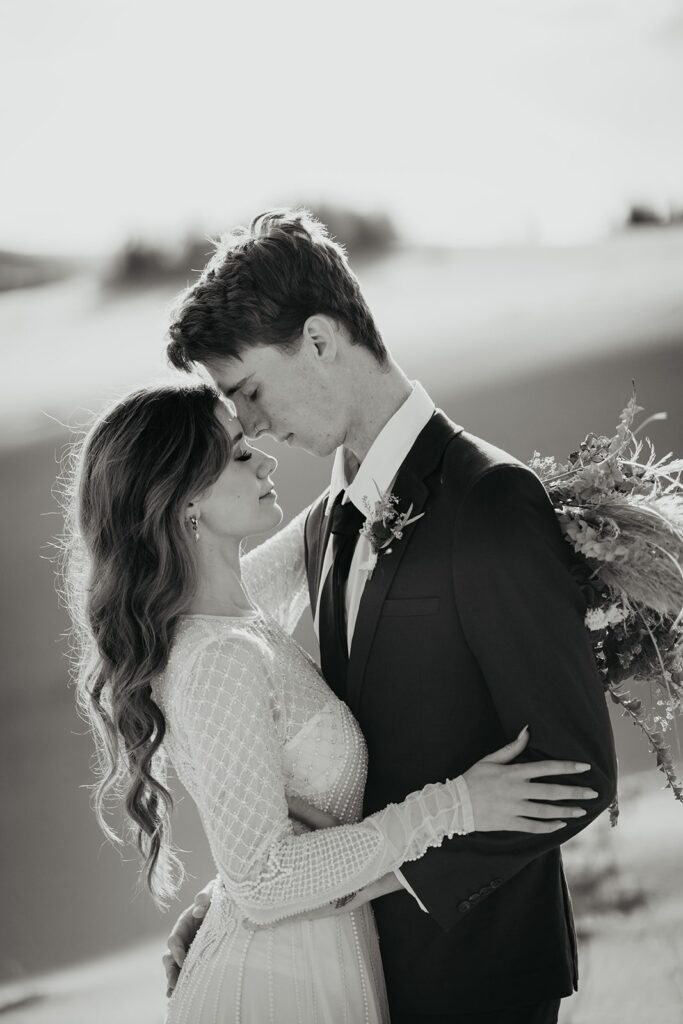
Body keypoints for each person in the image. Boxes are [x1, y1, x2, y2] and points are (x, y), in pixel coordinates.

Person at [163, 209, 618, 1024]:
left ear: (319, 339)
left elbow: (576, 770)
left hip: (475, 972)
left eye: (250, 391)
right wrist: (241, 886)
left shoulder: (489, 500)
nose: (254, 426)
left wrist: (375, 879)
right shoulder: (328, 516)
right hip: (352, 973)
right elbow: (343, 762)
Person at [64, 382, 596, 1024]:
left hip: (328, 955)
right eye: (238, 456)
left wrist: (543, 513)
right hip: (282, 986)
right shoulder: (219, 658)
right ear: (183, 506)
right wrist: (456, 804)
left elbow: (359, 493)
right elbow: (261, 882)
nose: (266, 460)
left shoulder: (235, 601)